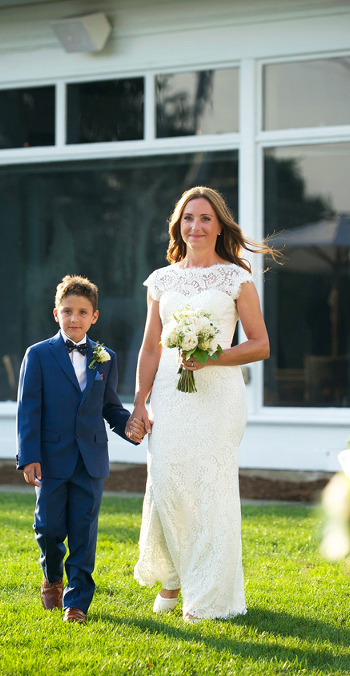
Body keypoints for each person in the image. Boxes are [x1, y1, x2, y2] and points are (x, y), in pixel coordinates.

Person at [131, 187, 272, 623]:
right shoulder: (161, 280)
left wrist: (214, 357)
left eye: (206, 218)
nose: (196, 226)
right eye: (188, 218)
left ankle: (210, 596)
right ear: (179, 225)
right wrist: (140, 402)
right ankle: (173, 577)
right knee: (168, 482)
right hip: (172, 395)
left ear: (219, 225)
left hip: (219, 398)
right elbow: (151, 347)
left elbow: (260, 345)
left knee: (210, 489)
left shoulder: (236, 278)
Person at [16, 276, 142, 624]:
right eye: (68, 311)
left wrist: (129, 425)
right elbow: (28, 409)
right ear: (56, 313)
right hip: (51, 460)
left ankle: (77, 602)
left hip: (91, 461)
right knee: (49, 529)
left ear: (94, 316)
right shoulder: (38, 355)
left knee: (84, 532)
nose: (75, 318)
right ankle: (52, 576)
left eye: (82, 312)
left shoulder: (105, 358)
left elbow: (109, 406)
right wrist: (28, 456)